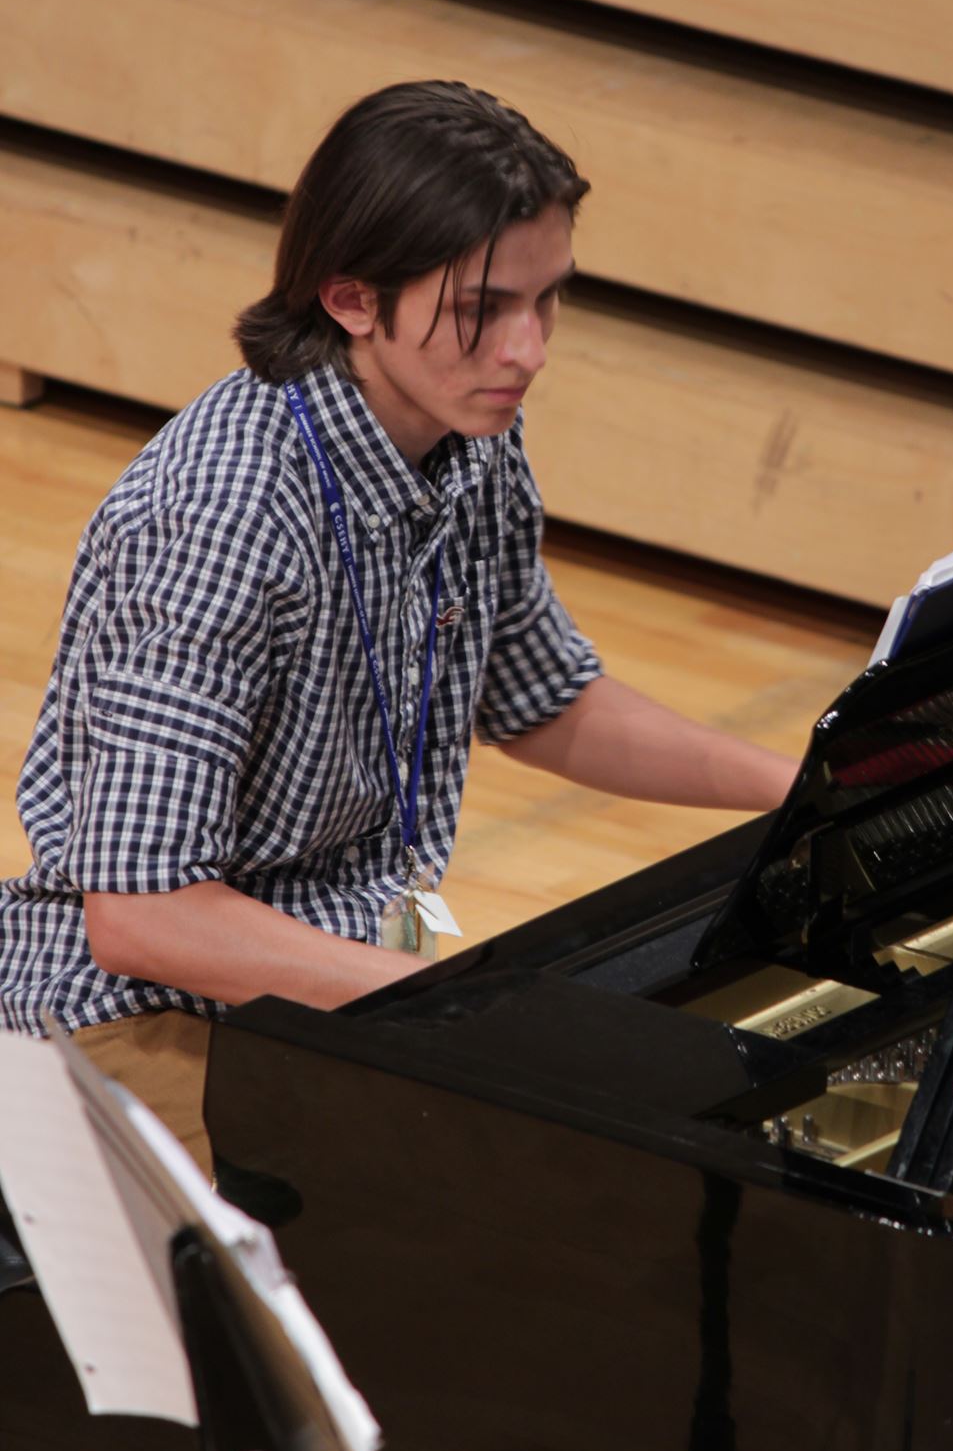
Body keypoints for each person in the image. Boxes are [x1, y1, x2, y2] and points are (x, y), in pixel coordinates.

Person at [0, 81, 797, 1170]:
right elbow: (146, 915)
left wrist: (806, 788)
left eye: (548, 301)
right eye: (483, 310)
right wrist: (452, 1010)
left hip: (346, 970)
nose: (528, 349)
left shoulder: (466, 440)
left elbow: (543, 700)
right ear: (352, 299)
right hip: (137, 1019)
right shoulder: (218, 521)